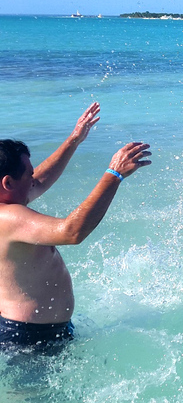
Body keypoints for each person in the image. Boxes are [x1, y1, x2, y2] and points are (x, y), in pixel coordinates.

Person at [0, 103, 151, 351]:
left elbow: (41, 180)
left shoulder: (8, 202)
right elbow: (72, 231)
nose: (34, 179)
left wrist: (74, 140)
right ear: (8, 183)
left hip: (38, 331)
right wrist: (114, 174)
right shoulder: (8, 218)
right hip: (29, 339)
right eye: (28, 174)